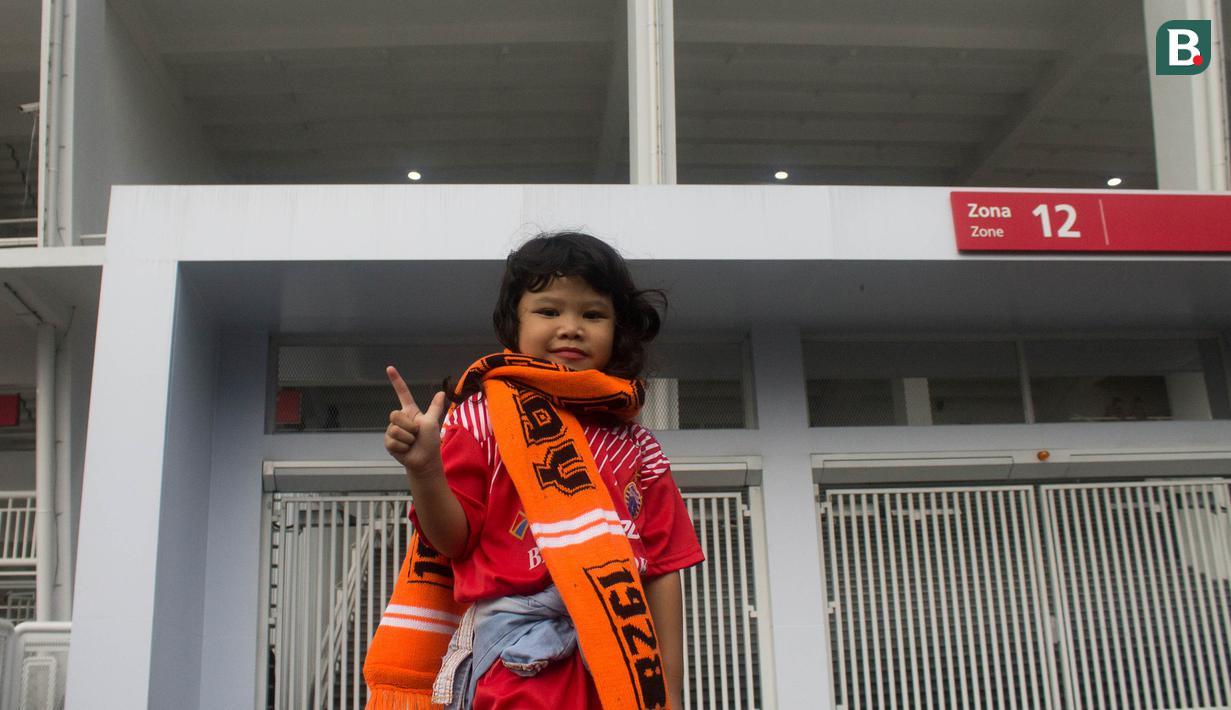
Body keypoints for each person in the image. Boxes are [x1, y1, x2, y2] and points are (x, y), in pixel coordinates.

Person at [365, 232, 703, 710]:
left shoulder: (640, 446)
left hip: (621, 663)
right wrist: (424, 470)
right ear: (514, 324)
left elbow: (663, 568)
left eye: (593, 314)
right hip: (516, 664)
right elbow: (453, 540)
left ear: (618, 328)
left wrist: (668, 691)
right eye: (549, 311)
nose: (571, 328)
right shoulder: (480, 417)